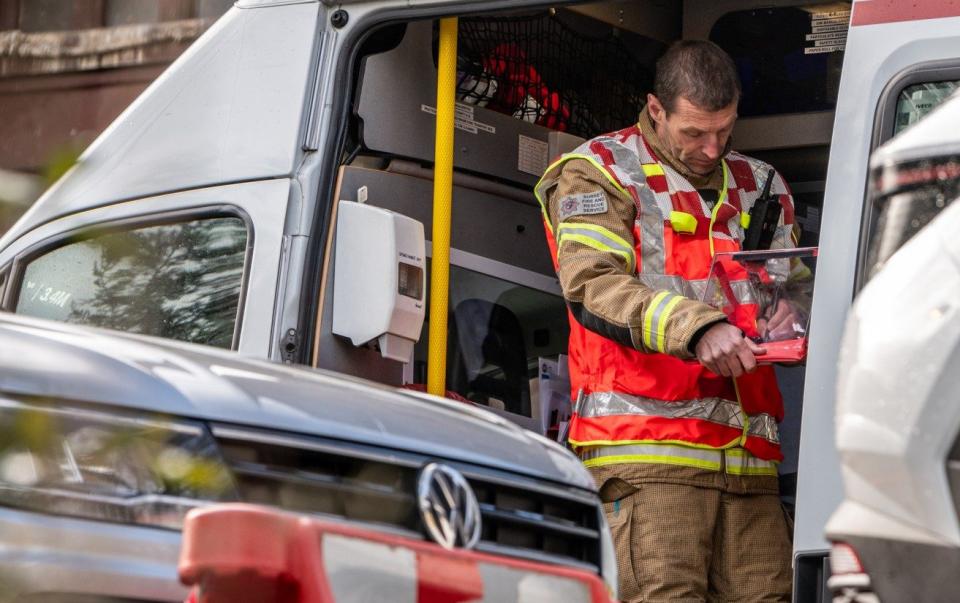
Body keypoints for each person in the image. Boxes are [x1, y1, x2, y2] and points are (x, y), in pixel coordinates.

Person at [534, 40, 794, 602]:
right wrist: (697, 328)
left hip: (749, 464)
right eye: (695, 132)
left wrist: (789, 315)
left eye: (725, 131)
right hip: (646, 455)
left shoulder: (760, 183)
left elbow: (785, 292)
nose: (712, 147)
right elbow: (592, 283)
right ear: (656, 109)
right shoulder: (600, 170)